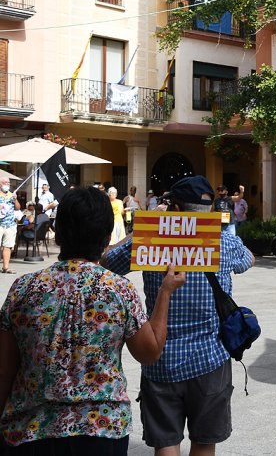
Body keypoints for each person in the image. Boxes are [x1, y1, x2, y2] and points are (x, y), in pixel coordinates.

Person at [0, 187, 185, 454]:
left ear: (59, 232)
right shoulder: (118, 289)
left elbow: (5, 370)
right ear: (108, 236)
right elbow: (149, 351)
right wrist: (165, 292)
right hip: (102, 430)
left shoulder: (23, 288)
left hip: (31, 431)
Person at [101, 175, 254, 456]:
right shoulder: (223, 243)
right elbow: (249, 260)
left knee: (166, 443)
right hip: (210, 359)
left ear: (175, 207)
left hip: (161, 359)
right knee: (205, 442)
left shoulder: (148, 242)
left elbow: (106, 262)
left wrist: (142, 230)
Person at [0, 176, 20, 274]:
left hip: (10, 224)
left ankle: (5, 267)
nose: (7, 184)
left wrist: (15, 200)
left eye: (8, 183)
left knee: (7, 246)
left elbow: (17, 208)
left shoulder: (12, 195)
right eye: (5, 183)